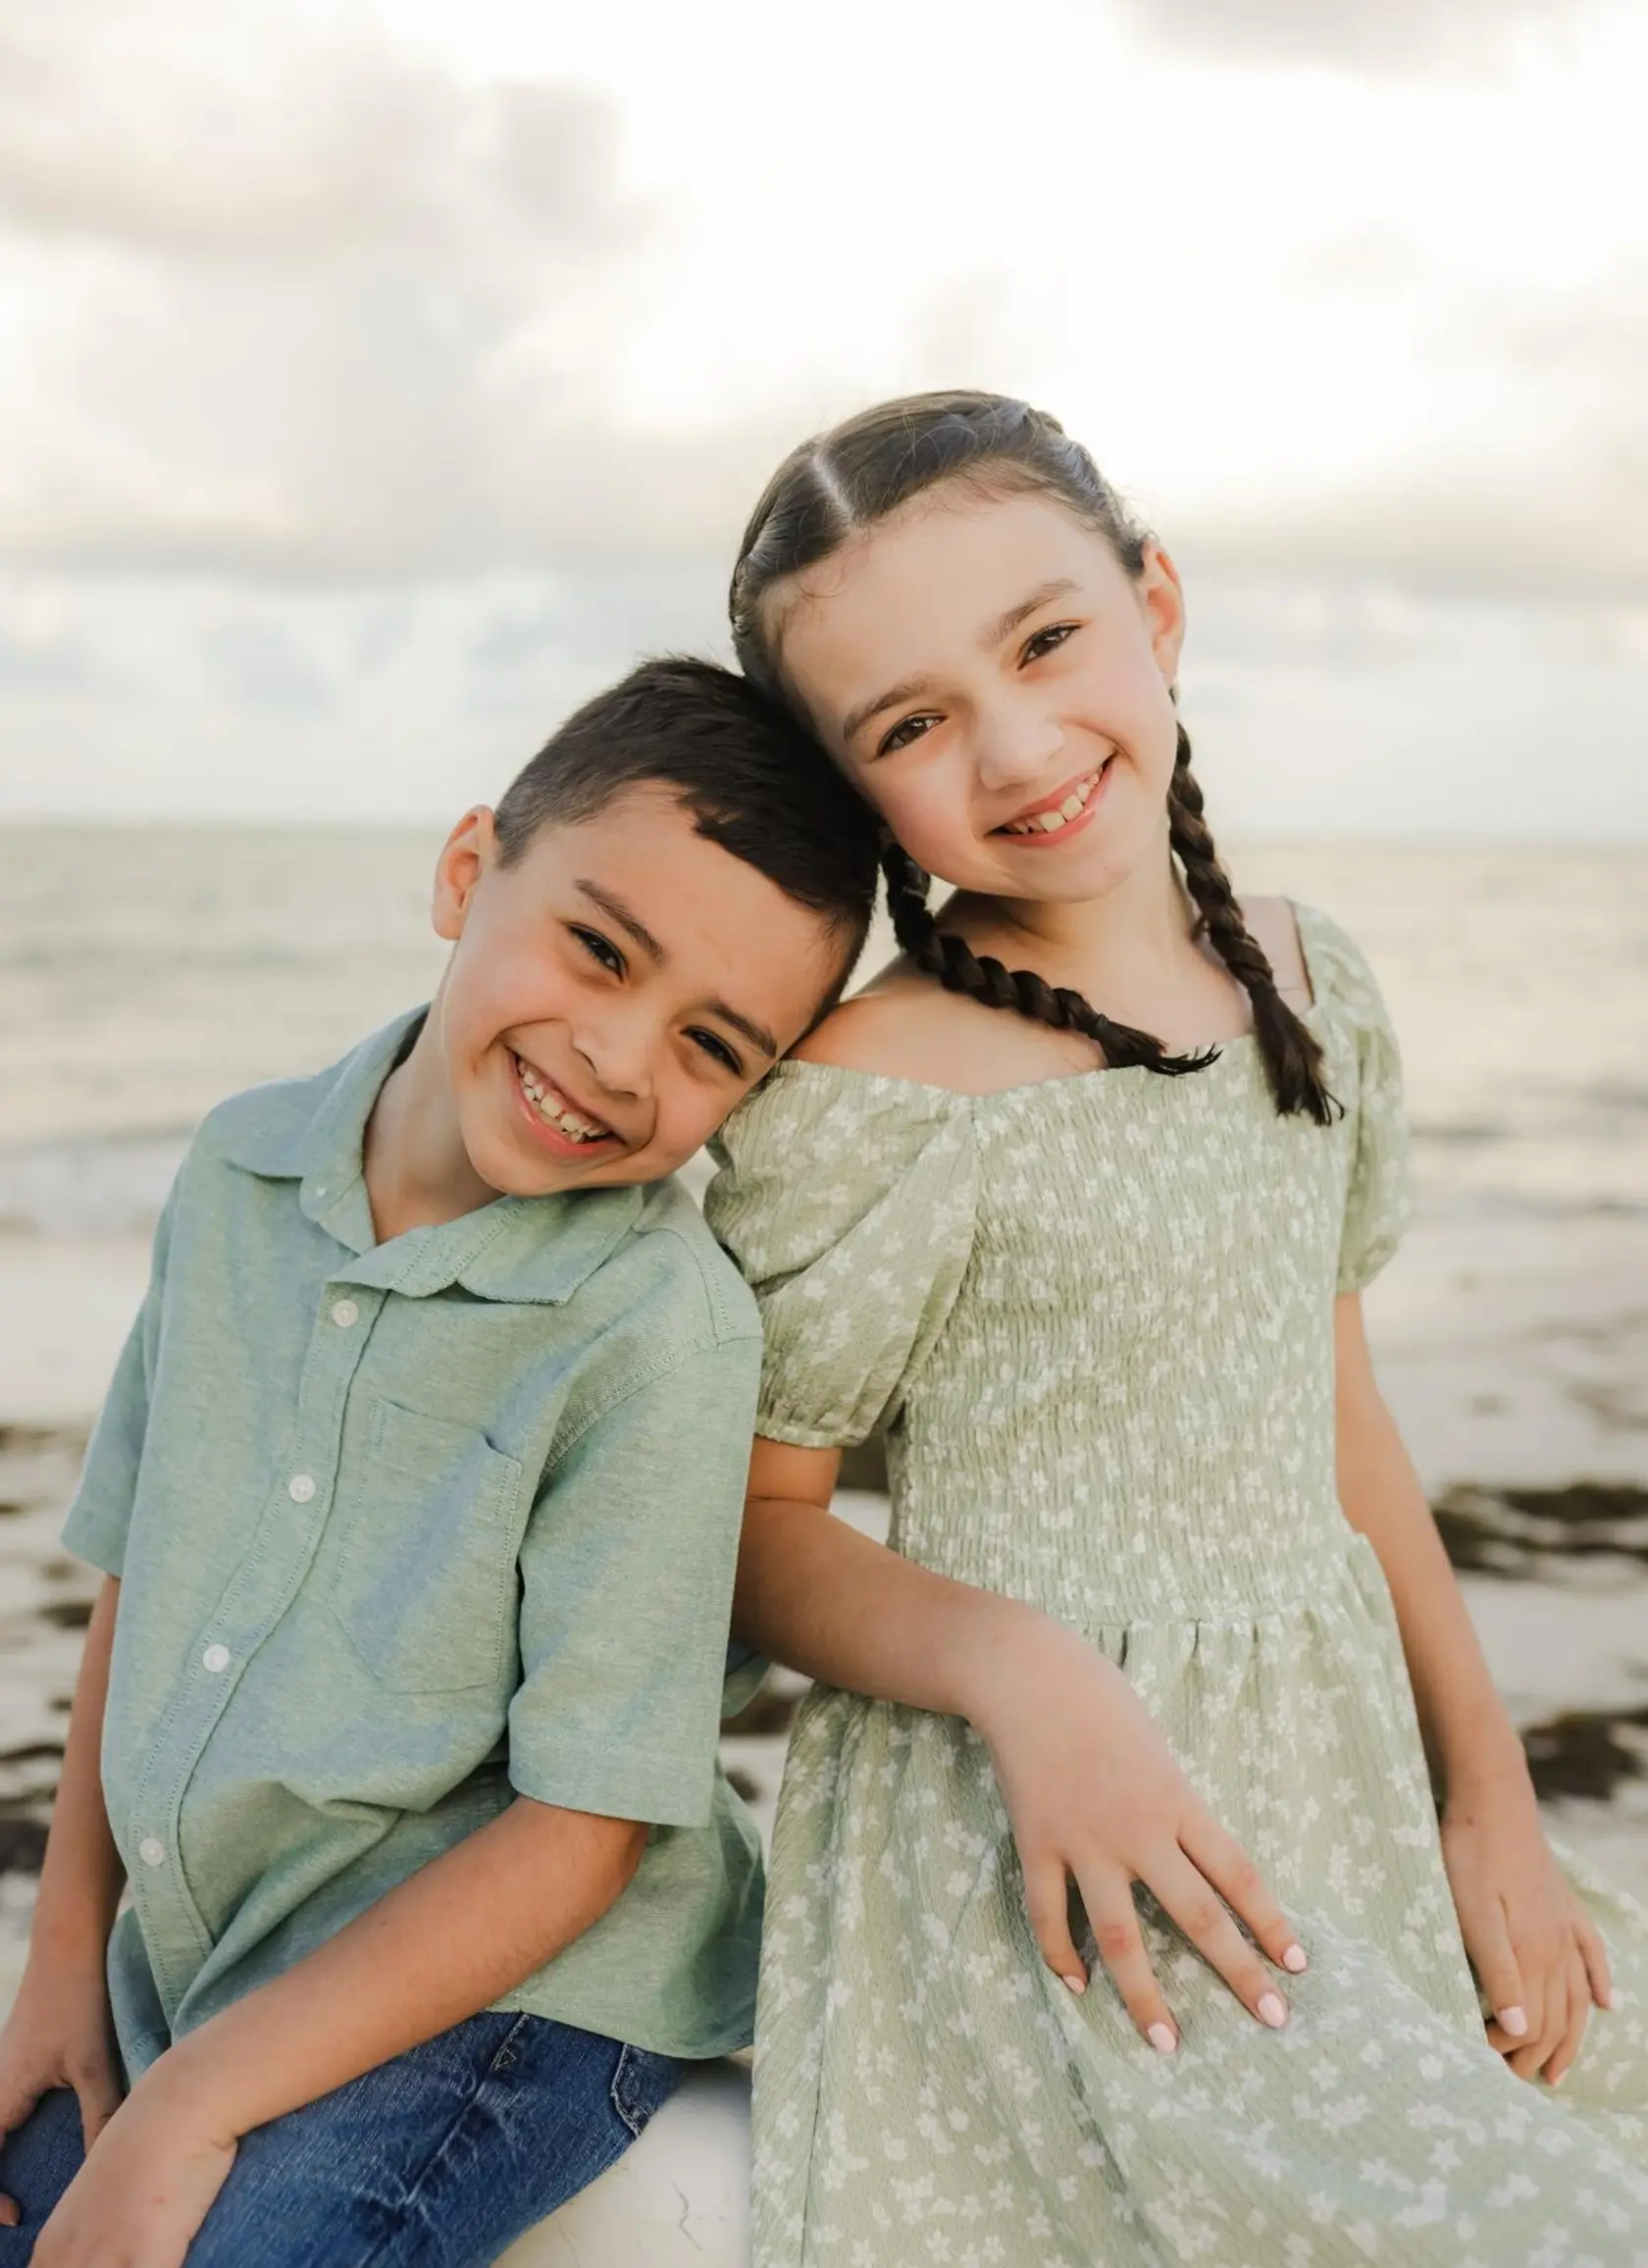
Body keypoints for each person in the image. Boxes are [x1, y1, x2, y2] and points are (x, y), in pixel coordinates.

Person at [707, 392, 1648, 2265]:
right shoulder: (875, 1092)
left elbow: (1341, 1414)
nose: (1017, 744)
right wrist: (1030, 1675)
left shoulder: (1309, 981)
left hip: (1340, 1786)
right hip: (1055, 1852)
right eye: (910, 725)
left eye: (1046, 639)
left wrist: (1490, 1800)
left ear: (1156, 604)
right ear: (855, 791)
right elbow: (756, 1529)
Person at [0, 656, 879, 2268]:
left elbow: (580, 1832)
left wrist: (192, 2103)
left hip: (521, 2002)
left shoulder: (657, 1331)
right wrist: (62, 1959)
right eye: (600, 950)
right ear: (468, 869)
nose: (620, 1057)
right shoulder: (238, 1169)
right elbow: (142, 1573)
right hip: (213, 1955)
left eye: (711, 1044)